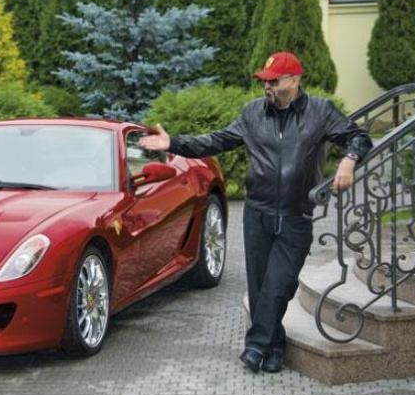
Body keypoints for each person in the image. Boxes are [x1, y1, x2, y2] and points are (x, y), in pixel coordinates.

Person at [139, 51, 372, 373]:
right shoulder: (252, 114)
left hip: (296, 216)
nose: (268, 87)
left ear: (294, 80)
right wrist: (173, 143)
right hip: (258, 214)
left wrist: (349, 160)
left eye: (274, 81)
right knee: (261, 287)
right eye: (265, 81)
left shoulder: (320, 112)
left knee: (280, 285)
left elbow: (359, 137)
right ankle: (274, 348)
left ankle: (255, 345)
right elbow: (216, 141)